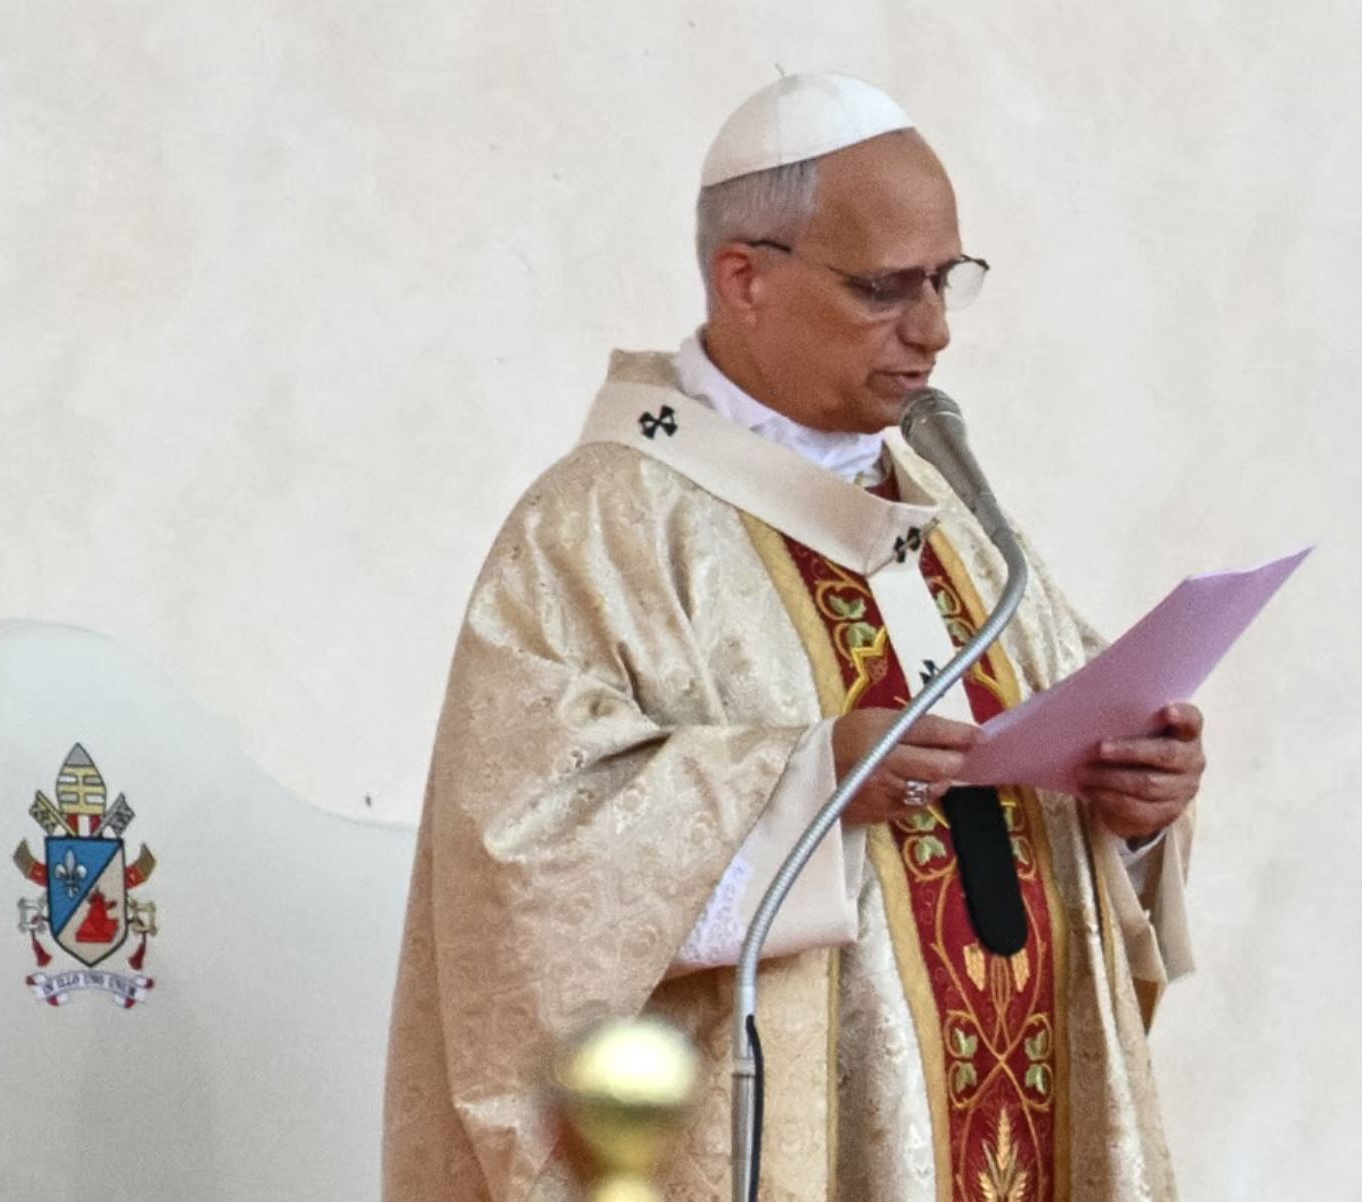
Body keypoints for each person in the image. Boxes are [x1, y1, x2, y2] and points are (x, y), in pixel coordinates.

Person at [382, 73, 1202, 1202]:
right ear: (745, 278)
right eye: (886, 288)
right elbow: (517, 868)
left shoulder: (950, 518)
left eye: (947, 279)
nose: (935, 330)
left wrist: (1139, 808)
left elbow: (1062, 777)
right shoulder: (602, 527)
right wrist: (800, 780)